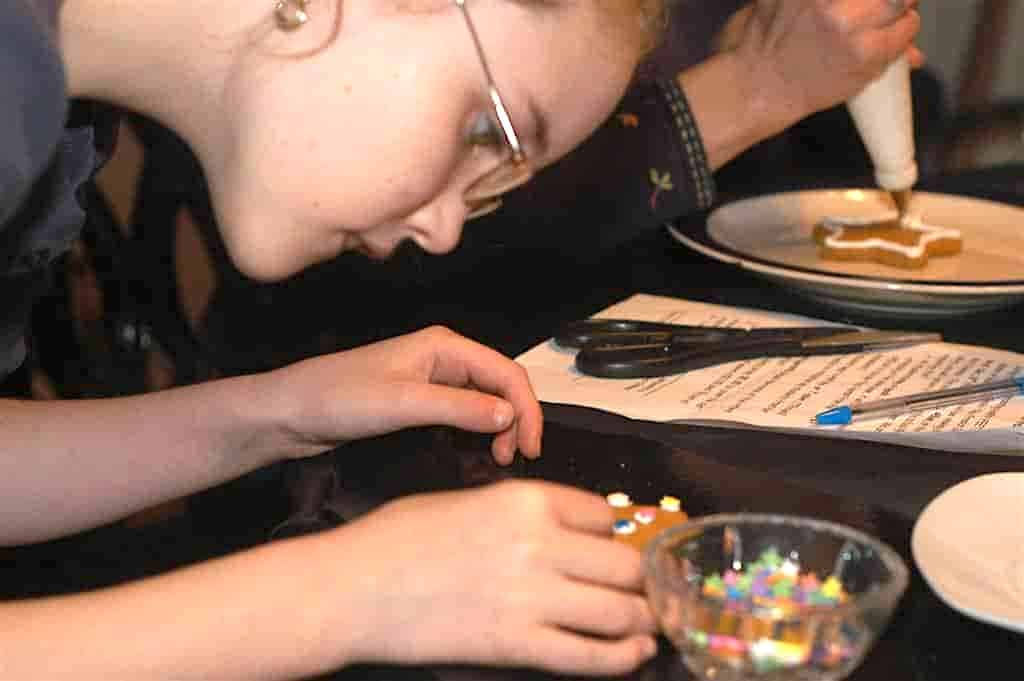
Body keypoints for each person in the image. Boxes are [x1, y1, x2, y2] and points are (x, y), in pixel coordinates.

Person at [0, 1, 921, 680]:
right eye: (489, 127)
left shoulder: (63, 103)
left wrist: (272, 412)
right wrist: (353, 591)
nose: (445, 229)